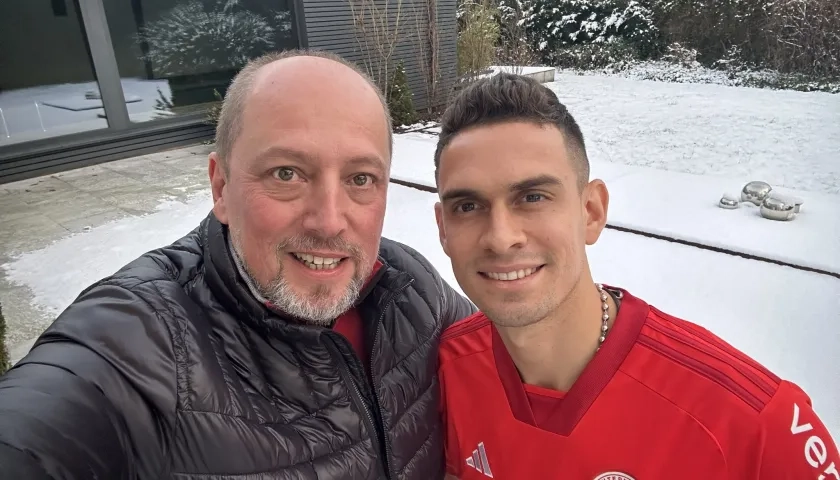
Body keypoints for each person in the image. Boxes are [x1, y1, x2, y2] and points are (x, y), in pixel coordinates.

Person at [0, 49, 475, 480]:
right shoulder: (139, 337)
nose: (330, 221)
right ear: (221, 187)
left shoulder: (407, 286)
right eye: (286, 173)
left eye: (361, 178)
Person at [433, 73, 839, 479]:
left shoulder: (754, 421)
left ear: (591, 211)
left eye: (533, 197)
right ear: (443, 229)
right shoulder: (445, 372)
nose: (501, 238)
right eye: (467, 206)